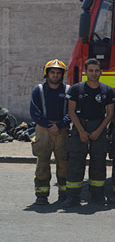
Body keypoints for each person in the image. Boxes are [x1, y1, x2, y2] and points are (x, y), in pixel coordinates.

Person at [63, 59, 115, 207]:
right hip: (80, 126)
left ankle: (98, 195)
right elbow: (71, 111)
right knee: (75, 162)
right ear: (85, 72)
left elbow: (110, 113)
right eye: (91, 70)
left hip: (99, 126)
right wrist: (81, 131)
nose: (94, 73)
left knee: (99, 162)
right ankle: (72, 197)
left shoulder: (107, 90)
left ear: (101, 72)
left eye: (96, 71)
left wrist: (99, 131)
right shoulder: (76, 89)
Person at [29, 59, 72, 205]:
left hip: (62, 129)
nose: (55, 75)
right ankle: (41, 195)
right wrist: (48, 125)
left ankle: (64, 194)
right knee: (42, 162)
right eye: (52, 72)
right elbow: (34, 112)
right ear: (47, 73)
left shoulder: (68, 90)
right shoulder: (38, 90)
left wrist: (59, 125)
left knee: (64, 163)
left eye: (58, 73)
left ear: (62, 75)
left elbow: (71, 112)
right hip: (43, 129)